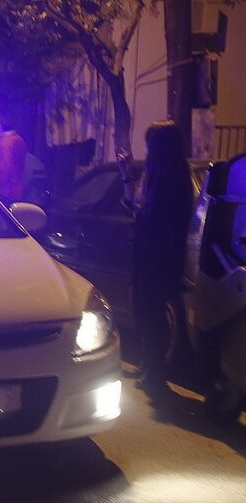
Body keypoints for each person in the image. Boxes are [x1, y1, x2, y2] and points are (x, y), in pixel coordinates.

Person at [122, 121, 194, 396]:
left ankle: (156, 371)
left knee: (152, 312)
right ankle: (151, 364)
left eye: (149, 144)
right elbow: (136, 206)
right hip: (150, 253)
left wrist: (141, 217)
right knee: (144, 310)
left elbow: (153, 217)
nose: (146, 149)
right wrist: (126, 175)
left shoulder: (171, 177)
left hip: (159, 255)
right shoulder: (158, 174)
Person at [0, 117, 26, 205]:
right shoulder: (18, 139)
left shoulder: (6, 143)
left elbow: (4, 168)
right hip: (15, 189)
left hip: (3, 191)